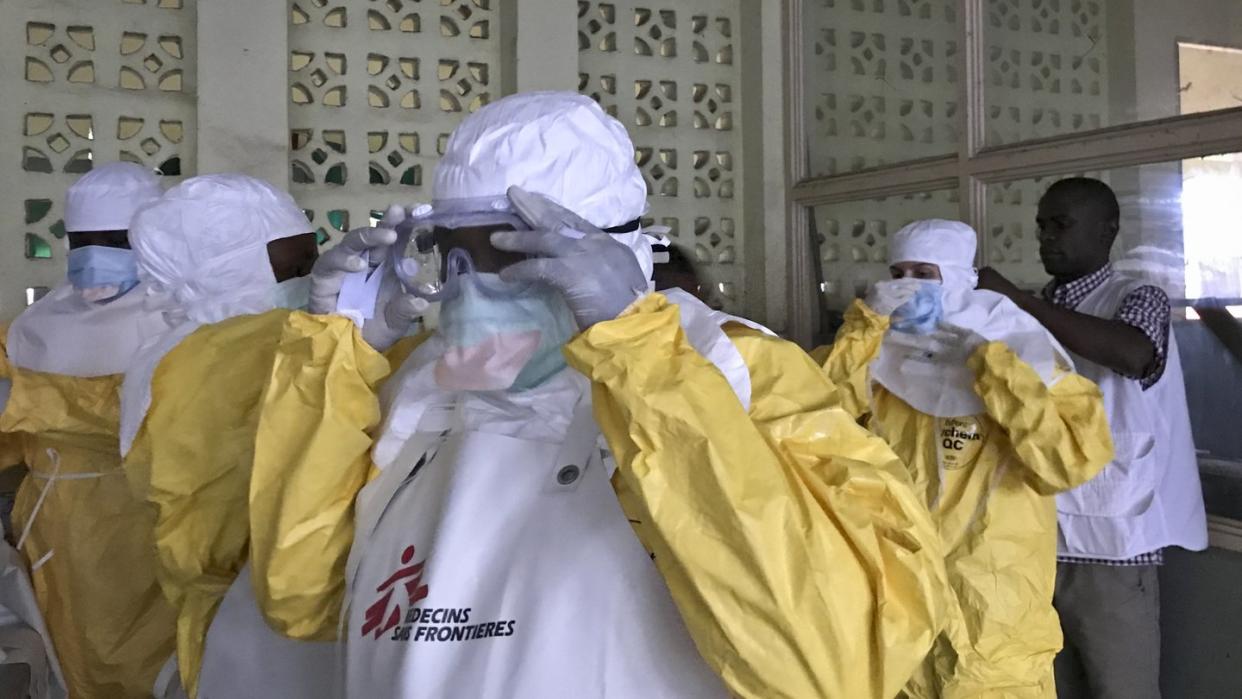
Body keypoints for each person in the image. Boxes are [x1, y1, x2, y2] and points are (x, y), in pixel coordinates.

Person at [277, 90, 951, 697]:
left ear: (610, 251)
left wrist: (641, 361)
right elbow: (303, 596)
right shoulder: (426, 381)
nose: (474, 287)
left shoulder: (731, 367)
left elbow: (834, 665)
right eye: (454, 253)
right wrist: (336, 368)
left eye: (514, 254)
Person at [818, 219, 1115, 698]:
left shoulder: (1025, 352)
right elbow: (817, 421)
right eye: (898, 272)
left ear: (958, 277)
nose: (907, 285)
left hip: (993, 596)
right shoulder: (884, 359)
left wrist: (994, 368)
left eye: (923, 272)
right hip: (900, 587)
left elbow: (1067, 462)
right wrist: (862, 331)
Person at [117, 173, 353, 698]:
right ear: (226, 268)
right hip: (252, 618)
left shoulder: (191, 348)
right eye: (295, 268)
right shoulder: (202, 362)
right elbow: (228, 529)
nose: (310, 278)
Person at [977, 177, 1208, 699]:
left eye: (1061, 224)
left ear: (1107, 231)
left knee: (1120, 689)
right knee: (1044, 686)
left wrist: (1017, 302)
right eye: (1041, 225)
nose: (1046, 237)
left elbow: (1131, 354)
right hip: (1036, 540)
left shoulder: (1136, 297)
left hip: (1115, 547)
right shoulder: (1032, 308)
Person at [0, 162, 178, 698]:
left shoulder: (183, 322)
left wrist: (24, 401)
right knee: (63, 661)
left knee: (143, 669)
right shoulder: (36, 326)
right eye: (82, 241)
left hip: (142, 526)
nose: (93, 256)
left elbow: (145, 415)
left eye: (113, 240)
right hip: (49, 529)